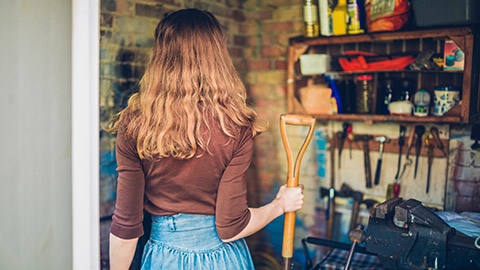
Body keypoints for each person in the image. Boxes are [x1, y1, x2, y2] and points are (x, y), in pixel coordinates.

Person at [108, 9, 305, 270]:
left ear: (160, 58)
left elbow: (126, 227)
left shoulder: (133, 124)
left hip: (164, 259)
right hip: (223, 259)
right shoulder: (236, 126)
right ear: (217, 56)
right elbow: (231, 227)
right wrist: (280, 205)